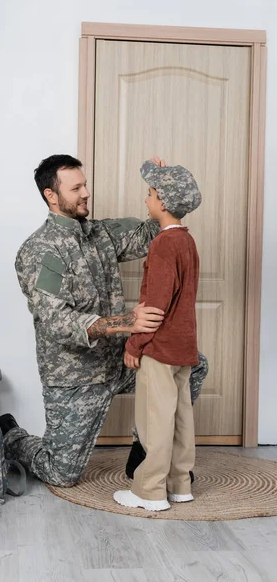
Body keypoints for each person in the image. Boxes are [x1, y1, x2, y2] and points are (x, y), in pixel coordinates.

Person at [0, 154, 208, 487]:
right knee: (61, 474)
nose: (86, 193)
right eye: (76, 187)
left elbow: (153, 230)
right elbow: (58, 322)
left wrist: (162, 183)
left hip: (120, 362)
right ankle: (10, 435)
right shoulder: (39, 251)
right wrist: (127, 322)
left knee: (193, 364)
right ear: (51, 195)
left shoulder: (102, 234)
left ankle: (146, 451)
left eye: (85, 184)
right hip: (77, 376)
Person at [114, 160, 202, 512]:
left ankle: (149, 490)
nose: (146, 198)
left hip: (160, 348)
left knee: (155, 420)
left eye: (151, 193)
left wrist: (134, 343)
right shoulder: (186, 241)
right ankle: (180, 484)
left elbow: (155, 305)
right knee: (181, 418)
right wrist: (160, 169)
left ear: (163, 202)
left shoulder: (163, 246)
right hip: (183, 346)